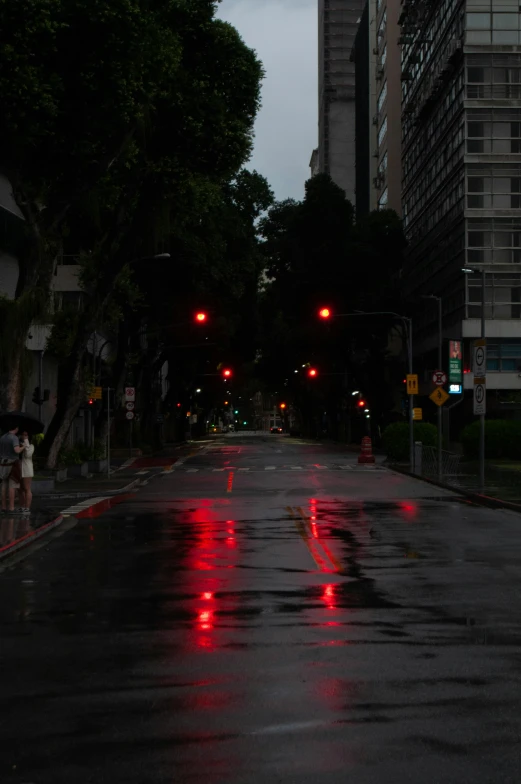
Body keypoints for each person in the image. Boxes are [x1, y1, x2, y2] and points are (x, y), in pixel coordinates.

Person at [0, 426, 25, 513]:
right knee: (12, 485)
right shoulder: (14, 438)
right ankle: (11, 508)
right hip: (12, 463)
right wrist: (23, 446)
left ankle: (3, 507)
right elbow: (17, 450)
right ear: (16, 428)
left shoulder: (2, 437)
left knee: (4, 485)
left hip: (3, 463)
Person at [19, 431, 34, 516]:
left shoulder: (31, 446)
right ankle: (22, 506)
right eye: (23, 434)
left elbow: (28, 455)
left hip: (27, 470)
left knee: (27, 488)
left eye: (26, 435)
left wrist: (26, 443)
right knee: (20, 489)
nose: (24, 436)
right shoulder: (19, 444)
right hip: (19, 469)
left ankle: (27, 508)